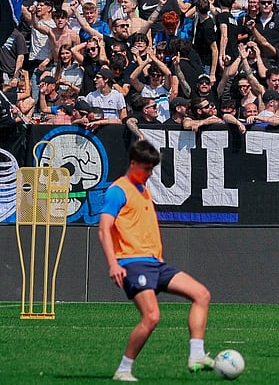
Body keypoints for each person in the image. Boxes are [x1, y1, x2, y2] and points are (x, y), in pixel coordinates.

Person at [98, 139, 215, 381]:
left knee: (201, 294)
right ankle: (123, 370)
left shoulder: (143, 189)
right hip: (132, 262)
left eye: (152, 169)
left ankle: (196, 355)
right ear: (133, 164)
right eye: (146, 168)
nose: (150, 174)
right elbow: (104, 229)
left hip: (155, 263)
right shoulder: (118, 191)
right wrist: (113, 263)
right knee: (151, 317)